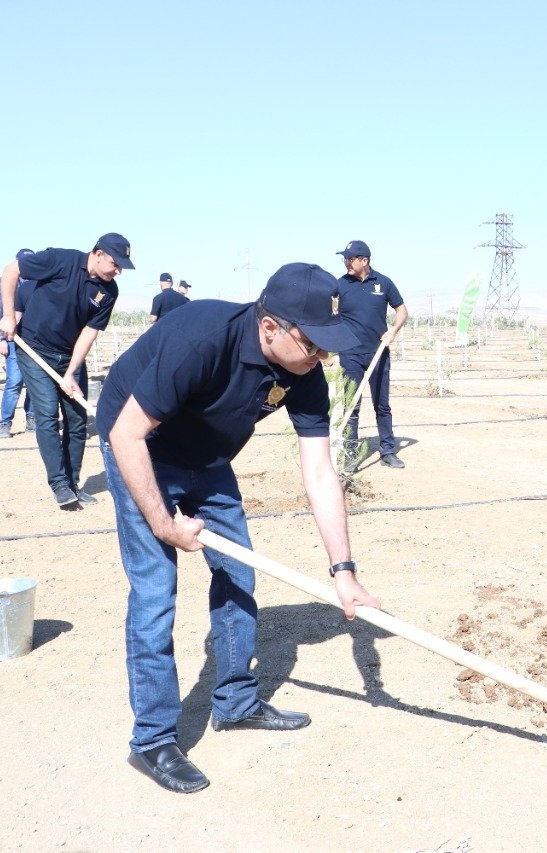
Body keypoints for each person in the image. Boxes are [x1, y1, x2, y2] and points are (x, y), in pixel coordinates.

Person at [95, 262, 379, 794]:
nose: (320, 357)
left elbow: (319, 470)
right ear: (269, 326)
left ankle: (235, 703)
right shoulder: (201, 338)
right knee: (156, 592)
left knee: (237, 574)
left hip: (207, 456)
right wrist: (164, 522)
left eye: (327, 347)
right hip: (139, 445)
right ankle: (153, 739)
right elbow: (127, 434)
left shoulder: (303, 373)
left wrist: (344, 571)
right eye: (312, 343)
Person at [0, 233, 133, 508]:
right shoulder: (61, 260)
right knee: (46, 412)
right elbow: (12, 270)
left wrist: (71, 371)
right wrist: (9, 315)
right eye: (115, 263)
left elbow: (89, 332)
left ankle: (73, 482)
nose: (117, 270)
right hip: (34, 349)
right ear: (98, 254)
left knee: (77, 417)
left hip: (70, 356)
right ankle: (59, 484)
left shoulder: (109, 291)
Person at [334, 239, 408, 470]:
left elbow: (402, 310)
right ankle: (350, 454)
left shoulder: (383, 283)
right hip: (351, 354)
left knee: (382, 405)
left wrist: (393, 331)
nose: (346, 262)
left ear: (364, 260)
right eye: (345, 258)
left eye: (350, 258)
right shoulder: (340, 284)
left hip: (378, 353)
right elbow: (326, 312)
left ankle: (388, 450)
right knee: (351, 405)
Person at [0, 250, 37, 438]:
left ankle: (32, 419)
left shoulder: (40, 281)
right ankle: (5, 423)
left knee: (35, 383)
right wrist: (0, 338)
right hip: (13, 340)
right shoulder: (5, 282)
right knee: (14, 382)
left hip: (36, 342)